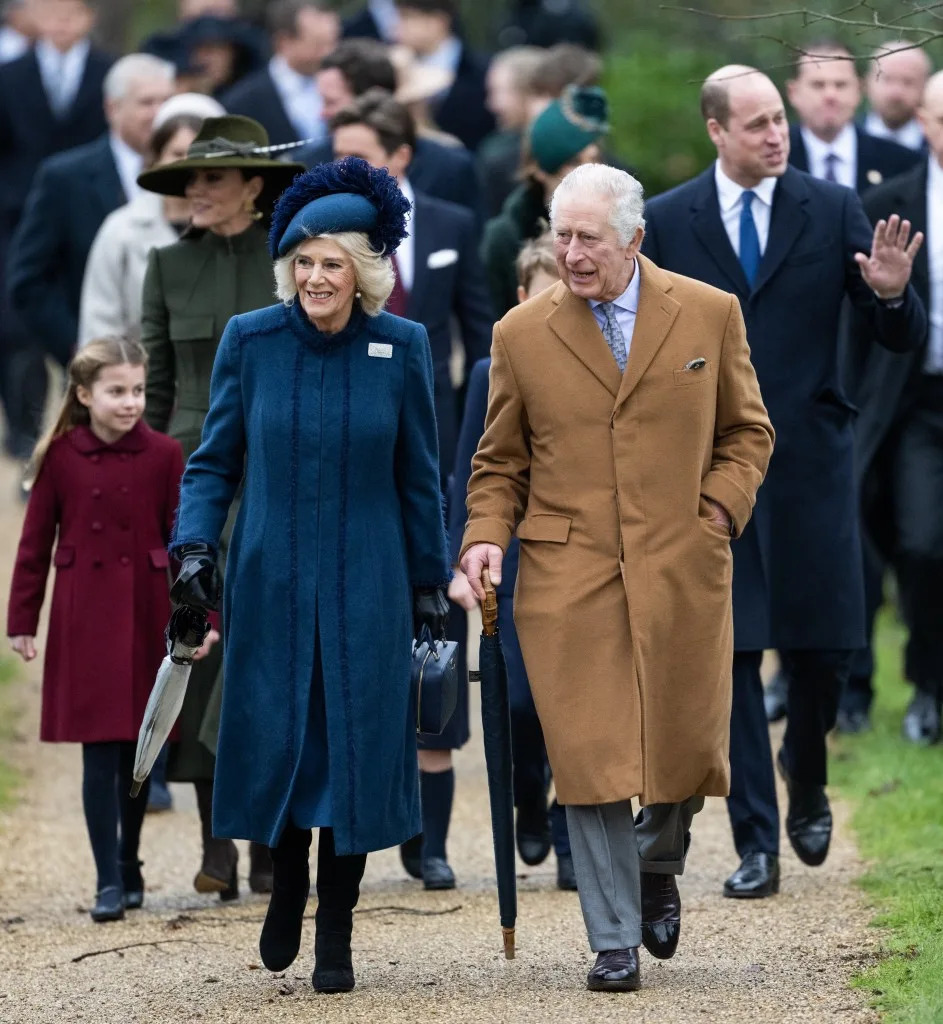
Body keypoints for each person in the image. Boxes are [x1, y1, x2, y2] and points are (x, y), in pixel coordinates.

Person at [460, 162, 773, 992]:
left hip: (681, 561)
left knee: (682, 742)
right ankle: (611, 939)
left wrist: (716, 509)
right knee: (589, 754)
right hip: (569, 571)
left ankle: (656, 861)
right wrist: (484, 538)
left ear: (634, 239)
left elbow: (747, 432)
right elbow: (497, 463)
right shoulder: (520, 334)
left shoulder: (708, 313)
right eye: (561, 236)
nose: (571, 252)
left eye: (588, 237)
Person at [641, 65, 926, 900]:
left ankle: (806, 780)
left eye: (779, 120)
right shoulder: (666, 222)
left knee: (820, 648)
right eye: (758, 123)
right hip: (711, 471)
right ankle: (755, 840)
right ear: (716, 131)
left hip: (810, 462)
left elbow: (897, 335)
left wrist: (891, 295)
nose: (778, 135)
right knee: (729, 654)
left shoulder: (832, 207)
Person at [169, 155, 450, 993]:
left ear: (361, 273)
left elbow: (419, 474)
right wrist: (194, 549)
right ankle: (284, 883)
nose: (315, 276)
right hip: (272, 577)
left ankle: (338, 927)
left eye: (332, 262)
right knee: (281, 735)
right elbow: (213, 464)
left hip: (369, 579)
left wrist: (431, 585)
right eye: (303, 261)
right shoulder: (249, 341)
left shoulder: (401, 347)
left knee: (357, 749)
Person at [138, 113, 305, 899]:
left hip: (274, 479)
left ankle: (270, 837)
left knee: (266, 653)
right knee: (199, 651)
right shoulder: (166, 267)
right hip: (195, 481)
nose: (194, 191)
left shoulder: (292, 263)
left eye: (209, 177)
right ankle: (217, 844)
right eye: (187, 180)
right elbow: (160, 391)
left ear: (252, 186)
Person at [331, 89, 493, 890]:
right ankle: (357, 817)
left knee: (436, 634)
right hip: (353, 455)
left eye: (360, 156)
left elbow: (481, 334)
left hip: (435, 448)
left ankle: (428, 843)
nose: (346, 171)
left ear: (398, 157)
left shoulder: (453, 227)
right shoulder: (324, 246)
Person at [5, 337, 205, 922]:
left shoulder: (167, 453)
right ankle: (106, 880)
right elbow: (34, 545)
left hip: (147, 615)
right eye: (117, 392)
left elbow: (187, 545)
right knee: (99, 752)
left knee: (139, 748)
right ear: (85, 394)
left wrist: (203, 620)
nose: (130, 402)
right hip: (85, 615)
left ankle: (129, 859)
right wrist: (22, 620)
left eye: (138, 390)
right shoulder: (60, 456)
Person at [450, 231, 576, 891]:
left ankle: (568, 825)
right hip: (516, 560)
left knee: (580, 701)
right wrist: (459, 554)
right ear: (519, 300)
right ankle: (529, 790)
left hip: (579, 554)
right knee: (524, 703)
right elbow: (471, 471)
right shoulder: (489, 370)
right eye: (542, 292)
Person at [851, 70, 943, 744]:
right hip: (919, 402)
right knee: (918, 543)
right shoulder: (891, 203)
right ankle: (926, 685)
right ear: (923, 123)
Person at [6, 52, 175, 370]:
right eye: (146, 103)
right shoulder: (65, 177)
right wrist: (82, 350)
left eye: (166, 101)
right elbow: (28, 280)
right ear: (113, 108)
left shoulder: (196, 177)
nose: (159, 113)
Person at [0, 0, 114, 458]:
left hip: (91, 217)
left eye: (71, 13)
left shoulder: (110, 73)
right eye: (51, 12)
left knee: (89, 320)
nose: (61, 23)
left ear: (89, 17)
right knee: (18, 325)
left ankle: (84, 426)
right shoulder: (9, 76)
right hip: (17, 217)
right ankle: (26, 432)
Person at [79, 94, 225, 347]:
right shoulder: (121, 229)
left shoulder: (234, 229)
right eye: (177, 153)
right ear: (156, 158)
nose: (187, 165)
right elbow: (99, 325)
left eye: (198, 155)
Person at [294, 37, 482, 219]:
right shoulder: (306, 170)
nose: (322, 114)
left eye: (331, 102)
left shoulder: (450, 169)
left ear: (374, 97)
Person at [481, 83, 606, 317]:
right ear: (538, 169)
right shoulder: (506, 237)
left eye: (595, 158)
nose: (589, 170)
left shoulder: (622, 223)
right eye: (574, 162)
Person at [786, 40, 919, 193]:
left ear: (859, 90)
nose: (830, 95)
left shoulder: (902, 163)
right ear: (793, 92)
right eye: (818, 85)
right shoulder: (775, 159)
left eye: (841, 84)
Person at [221, 0, 340, 146]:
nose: (330, 52)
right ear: (284, 42)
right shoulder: (242, 105)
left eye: (333, 42)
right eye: (318, 45)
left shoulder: (351, 78)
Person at [392, 0, 494, 151]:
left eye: (407, 17)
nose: (395, 28)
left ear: (437, 22)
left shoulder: (484, 71)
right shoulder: (396, 68)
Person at [476, 45, 544, 217]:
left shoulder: (497, 158)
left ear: (528, 91)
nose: (491, 104)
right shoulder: (495, 148)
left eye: (497, 92)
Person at [864, 41, 932, 152]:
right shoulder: (847, 139)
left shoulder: (936, 147)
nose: (896, 93)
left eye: (908, 82)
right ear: (868, 83)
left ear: (925, 87)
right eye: (888, 79)